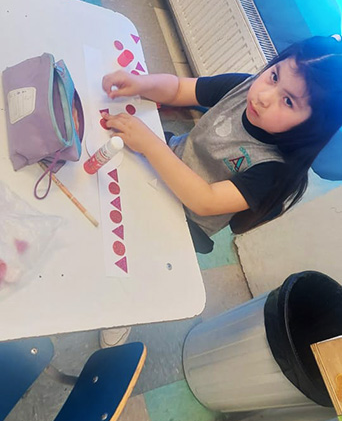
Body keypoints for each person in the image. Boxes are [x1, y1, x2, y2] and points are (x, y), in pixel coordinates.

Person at [99, 35, 342, 347]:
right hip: (164, 161)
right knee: (102, 183)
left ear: (311, 126)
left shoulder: (275, 169)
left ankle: (124, 313)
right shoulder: (245, 87)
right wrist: (140, 83)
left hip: (185, 222)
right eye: (274, 76)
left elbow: (205, 200)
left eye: (288, 101)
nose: (264, 96)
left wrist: (149, 143)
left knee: (137, 268)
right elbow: (179, 89)